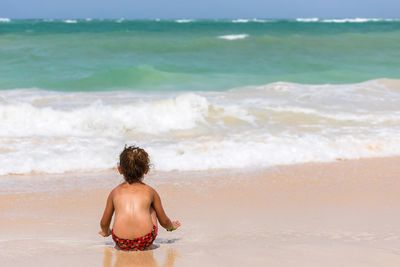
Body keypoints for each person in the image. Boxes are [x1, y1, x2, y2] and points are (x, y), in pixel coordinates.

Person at [99, 145, 181, 251]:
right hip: (145, 240)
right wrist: (171, 227)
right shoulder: (150, 191)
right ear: (146, 169)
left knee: (120, 209)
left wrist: (106, 232)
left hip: (121, 241)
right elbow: (164, 221)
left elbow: (104, 223)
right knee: (150, 208)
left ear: (120, 169)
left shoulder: (114, 192)